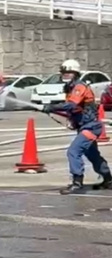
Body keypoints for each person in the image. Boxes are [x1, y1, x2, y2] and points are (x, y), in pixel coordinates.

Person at [40, 59, 112, 194]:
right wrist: (50, 110)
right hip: (83, 126)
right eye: (63, 73)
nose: (65, 75)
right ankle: (108, 180)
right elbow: (72, 109)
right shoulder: (70, 89)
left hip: (90, 127)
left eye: (68, 73)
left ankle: (77, 182)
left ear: (76, 74)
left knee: (73, 151)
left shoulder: (80, 87)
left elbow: (72, 105)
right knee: (93, 155)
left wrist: (52, 106)